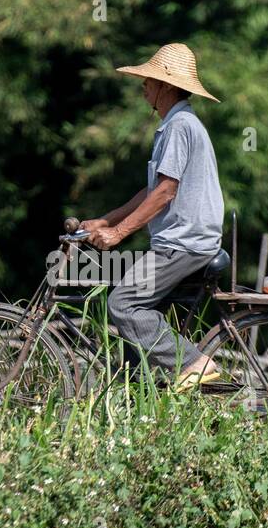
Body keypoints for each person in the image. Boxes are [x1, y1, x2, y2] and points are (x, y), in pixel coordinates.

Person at [82, 42, 225, 389]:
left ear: (166, 86)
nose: (143, 85)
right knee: (136, 311)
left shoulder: (179, 127)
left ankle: (194, 363)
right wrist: (107, 220)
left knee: (124, 303)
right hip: (184, 240)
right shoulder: (177, 125)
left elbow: (165, 193)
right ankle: (138, 396)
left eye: (149, 79)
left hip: (183, 243)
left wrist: (118, 234)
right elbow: (152, 190)